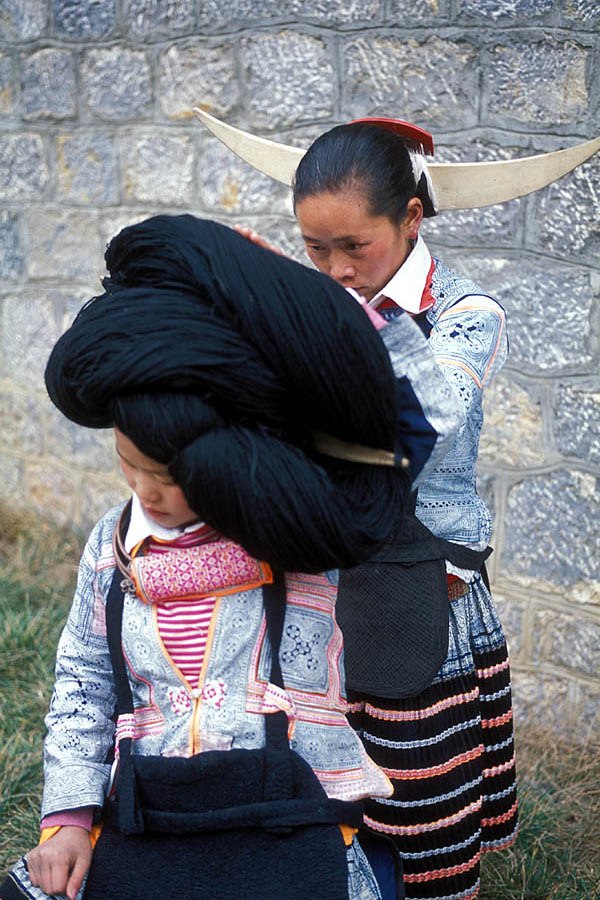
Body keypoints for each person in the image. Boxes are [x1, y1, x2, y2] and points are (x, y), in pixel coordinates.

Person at [1, 214, 463, 900]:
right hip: (145, 812)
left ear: (228, 461)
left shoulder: (294, 534)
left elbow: (430, 419)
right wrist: (67, 818)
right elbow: (84, 683)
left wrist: (278, 288)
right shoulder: (111, 544)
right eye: (130, 468)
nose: (147, 493)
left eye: (169, 477)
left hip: (293, 817)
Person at [242, 119, 517, 900]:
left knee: (417, 785)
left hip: (422, 585)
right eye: (313, 250)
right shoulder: (314, 307)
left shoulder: (467, 313)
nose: (334, 270)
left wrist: (340, 319)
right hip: (320, 584)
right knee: (321, 784)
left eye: (352, 247)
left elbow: (437, 412)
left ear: (411, 219)